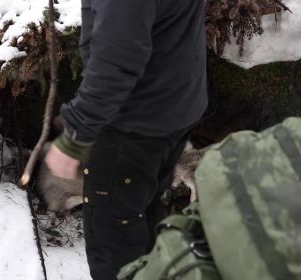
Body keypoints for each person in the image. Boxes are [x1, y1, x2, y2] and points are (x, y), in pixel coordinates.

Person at [44, 0, 208, 279]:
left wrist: (76, 136)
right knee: (143, 215)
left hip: (133, 124)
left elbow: (116, 62)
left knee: (113, 242)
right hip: (172, 105)